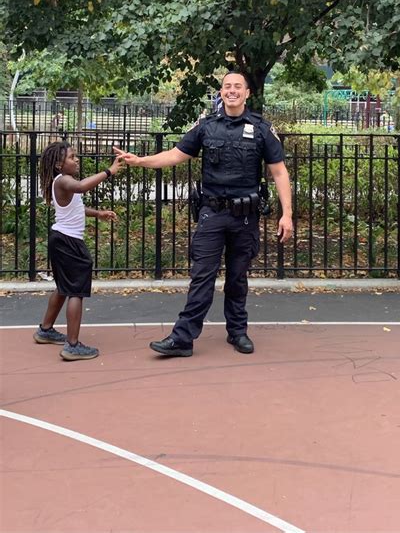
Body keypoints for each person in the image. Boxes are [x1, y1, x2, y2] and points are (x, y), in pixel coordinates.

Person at [114, 71, 293, 358]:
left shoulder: (261, 129)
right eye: (227, 86)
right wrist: (139, 161)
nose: (232, 91)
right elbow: (175, 154)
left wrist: (287, 215)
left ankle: (237, 331)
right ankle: (183, 338)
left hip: (245, 217)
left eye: (238, 87)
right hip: (212, 213)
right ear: (221, 92)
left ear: (247, 93)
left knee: (237, 278)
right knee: (201, 277)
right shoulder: (206, 126)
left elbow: (279, 171)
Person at [34, 141, 121, 361]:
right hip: (69, 242)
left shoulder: (63, 182)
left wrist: (98, 213)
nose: (76, 160)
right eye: (72, 157)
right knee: (75, 291)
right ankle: (72, 346)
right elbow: (82, 187)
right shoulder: (65, 181)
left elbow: (76, 208)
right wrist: (108, 171)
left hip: (61, 239)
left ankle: (45, 330)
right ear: (58, 165)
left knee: (63, 287)